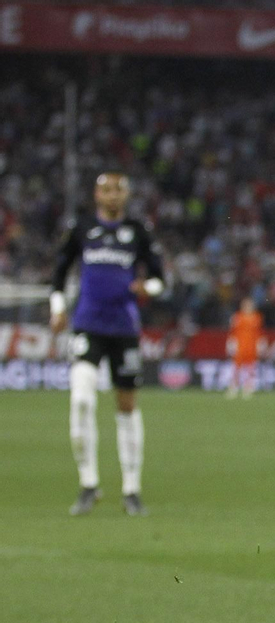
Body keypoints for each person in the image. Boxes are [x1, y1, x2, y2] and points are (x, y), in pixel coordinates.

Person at [51, 172, 165, 516]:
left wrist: (150, 288)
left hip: (124, 328)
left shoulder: (138, 231)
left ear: (126, 195)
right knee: (82, 398)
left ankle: (131, 489)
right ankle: (89, 483)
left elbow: (160, 277)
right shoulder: (82, 228)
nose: (112, 195)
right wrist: (58, 309)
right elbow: (59, 273)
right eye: (106, 190)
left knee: (127, 405)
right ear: (96, 195)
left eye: (118, 190)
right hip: (87, 325)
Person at [226, 296, 263, 399]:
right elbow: (233, 331)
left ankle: (248, 387)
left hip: (251, 345)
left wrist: (260, 342)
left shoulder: (256, 317)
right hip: (240, 344)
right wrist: (231, 342)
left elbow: (258, 332)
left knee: (250, 367)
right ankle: (234, 387)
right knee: (237, 367)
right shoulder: (237, 317)